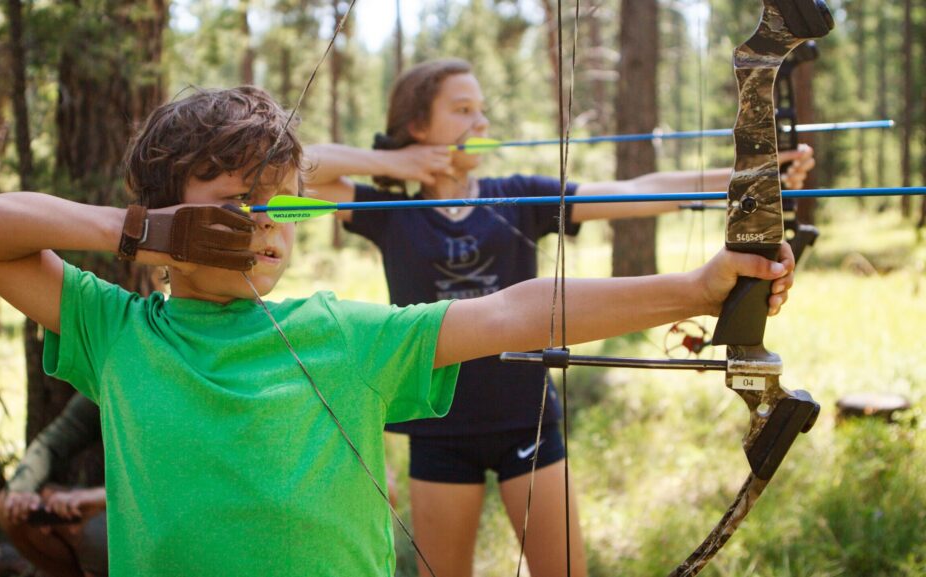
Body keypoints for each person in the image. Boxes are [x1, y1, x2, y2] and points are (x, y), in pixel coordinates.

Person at [0, 85, 795, 577]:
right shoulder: (117, 327)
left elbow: (519, 310)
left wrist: (699, 285)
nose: (263, 225)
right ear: (158, 220)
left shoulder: (341, 332)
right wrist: (134, 229)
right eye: (234, 204)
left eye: (276, 204)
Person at [304, 57, 815, 577]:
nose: (481, 123)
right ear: (417, 126)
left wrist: (751, 175)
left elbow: (638, 190)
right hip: (439, 431)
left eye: (482, 111)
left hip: (528, 420)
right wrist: (396, 164)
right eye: (462, 111)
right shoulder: (389, 212)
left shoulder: (517, 196)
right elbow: (290, 172)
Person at [0, 393, 107, 577]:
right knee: (10, 507)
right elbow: (50, 444)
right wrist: (21, 491)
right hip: (112, 512)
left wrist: (102, 499)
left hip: (155, 524)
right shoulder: (107, 382)